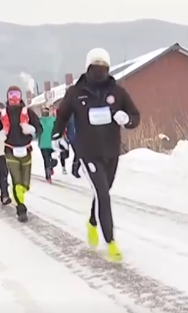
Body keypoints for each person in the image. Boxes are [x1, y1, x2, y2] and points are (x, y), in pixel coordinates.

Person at [52, 47, 140, 262]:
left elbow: (135, 116)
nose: (99, 69)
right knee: (103, 194)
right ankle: (111, 242)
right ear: (87, 67)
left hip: (111, 151)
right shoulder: (76, 92)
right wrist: (56, 136)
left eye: (103, 65)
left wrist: (126, 119)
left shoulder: (117, 92)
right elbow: (62, 115)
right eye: (95, 64)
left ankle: (92, 222)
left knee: (103, 192)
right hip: (87, 151)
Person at [1, 86, 42, 222]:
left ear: (20, 96)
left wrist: (31, 129)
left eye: (16, 94)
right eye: (11, 94)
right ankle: (21, 209)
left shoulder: (28, 112)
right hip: (10, 150)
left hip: (26, 151)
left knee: (25, 184)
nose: (14, 97)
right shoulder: (2, 113)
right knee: (16, 181)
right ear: (7, 97)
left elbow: (39, 128)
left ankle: (18, 196)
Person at [38, 105, 56, 183]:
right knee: (47, 160)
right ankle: (48, 174)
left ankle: (49, 170)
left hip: (48, 144)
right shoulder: (52, 119)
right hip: (47, 144)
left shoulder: (40, 121)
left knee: (48, 160)